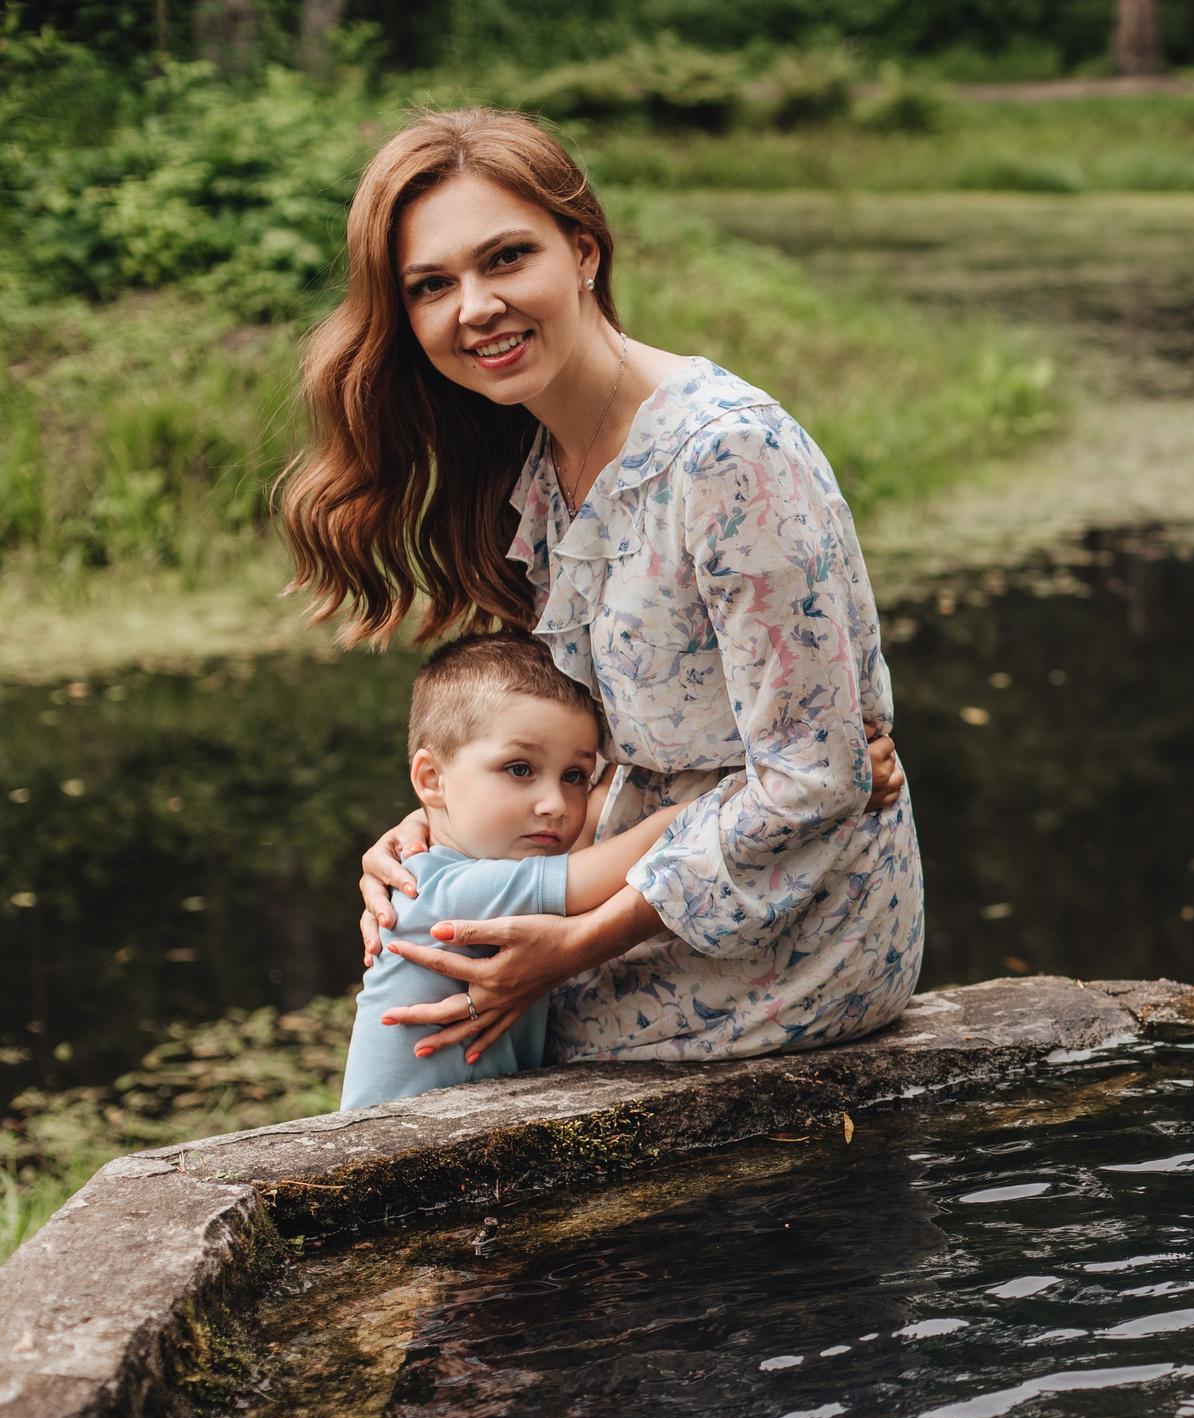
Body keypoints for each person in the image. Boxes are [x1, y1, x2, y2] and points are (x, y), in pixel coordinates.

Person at [280, 109, 921, 1073]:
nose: (475, 307)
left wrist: (572, 946)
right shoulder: (539, 458)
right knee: (433, 953)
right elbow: (575, 728)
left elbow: (812, 781)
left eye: (505, 259)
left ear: (583, 251)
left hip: (787, 940)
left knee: (450, 999)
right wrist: (437, 831)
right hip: (619, 878)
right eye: (431, 286)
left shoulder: (726, 455)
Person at [341, 635, 686, 1110]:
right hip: (392, 1148)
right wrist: (719, 806)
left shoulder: (493, 867)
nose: (556, 805)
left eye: (573, 776)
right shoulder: (439, 890)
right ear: (430, 780)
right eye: (520, 768)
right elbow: (598, 871)